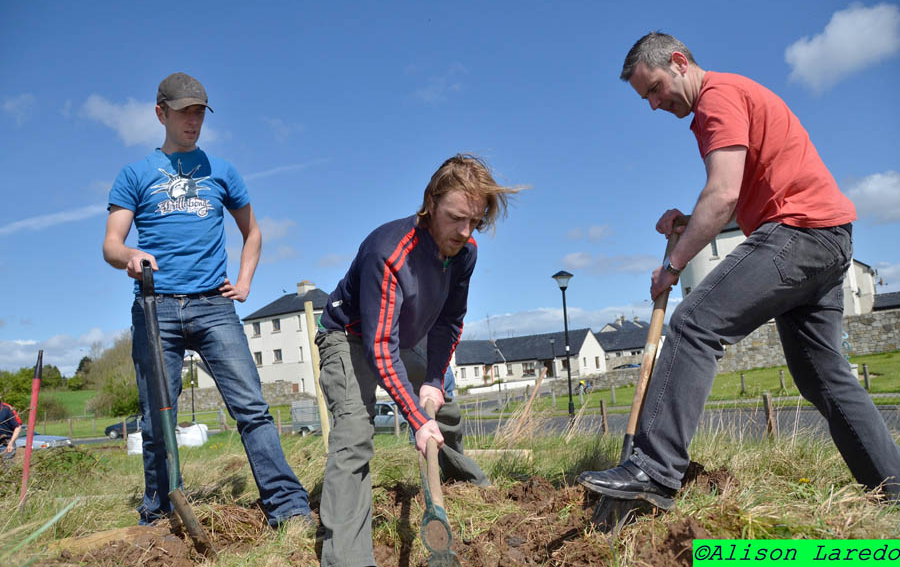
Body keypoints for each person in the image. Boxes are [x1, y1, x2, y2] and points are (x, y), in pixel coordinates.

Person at [578, 32, 900, 510]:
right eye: (645, 96)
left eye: (654, 88)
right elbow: (741, 200)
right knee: (822, 375)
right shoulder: (734, 95)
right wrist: (691, 223)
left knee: (693, 324)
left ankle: (653, 469)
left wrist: (673, 264)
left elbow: (723, 192)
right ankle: (892, 489)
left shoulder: (717, 98)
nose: (652, 104)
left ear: (680, 62)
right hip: (828, 237)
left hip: (800, 233)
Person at [102, 72, 311, 526]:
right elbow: (111, 245)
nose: (193, 121)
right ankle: (158, 514)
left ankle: (288, 507)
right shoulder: (135, 174)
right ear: (161, 113)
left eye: (199, 112)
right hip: (156, 308)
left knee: (252, 409)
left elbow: (252, 231)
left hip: (215, 306)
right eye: (183, 112)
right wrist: (130, 256)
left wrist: (245, 281)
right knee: (158, 417)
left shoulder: (223, 170)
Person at [316, 154, 522, 566]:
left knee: (444, 411)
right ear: (430, 203)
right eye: (456, 217)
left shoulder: (465, 253)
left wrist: (431, 379)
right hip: (350, 337)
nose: (464, 231)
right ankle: (347, 558)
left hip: (408, 339)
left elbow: (449, 320)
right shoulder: (388, 251)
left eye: (475, 222)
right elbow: (378, 345)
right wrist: (415, 418)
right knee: (355, 437)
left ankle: (465, 484)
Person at [0, 392, 23, 458]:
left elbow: (18, 427)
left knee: (6, 467)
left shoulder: (7, 409)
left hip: (5, 445)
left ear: (0, 396)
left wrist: (11, 443)